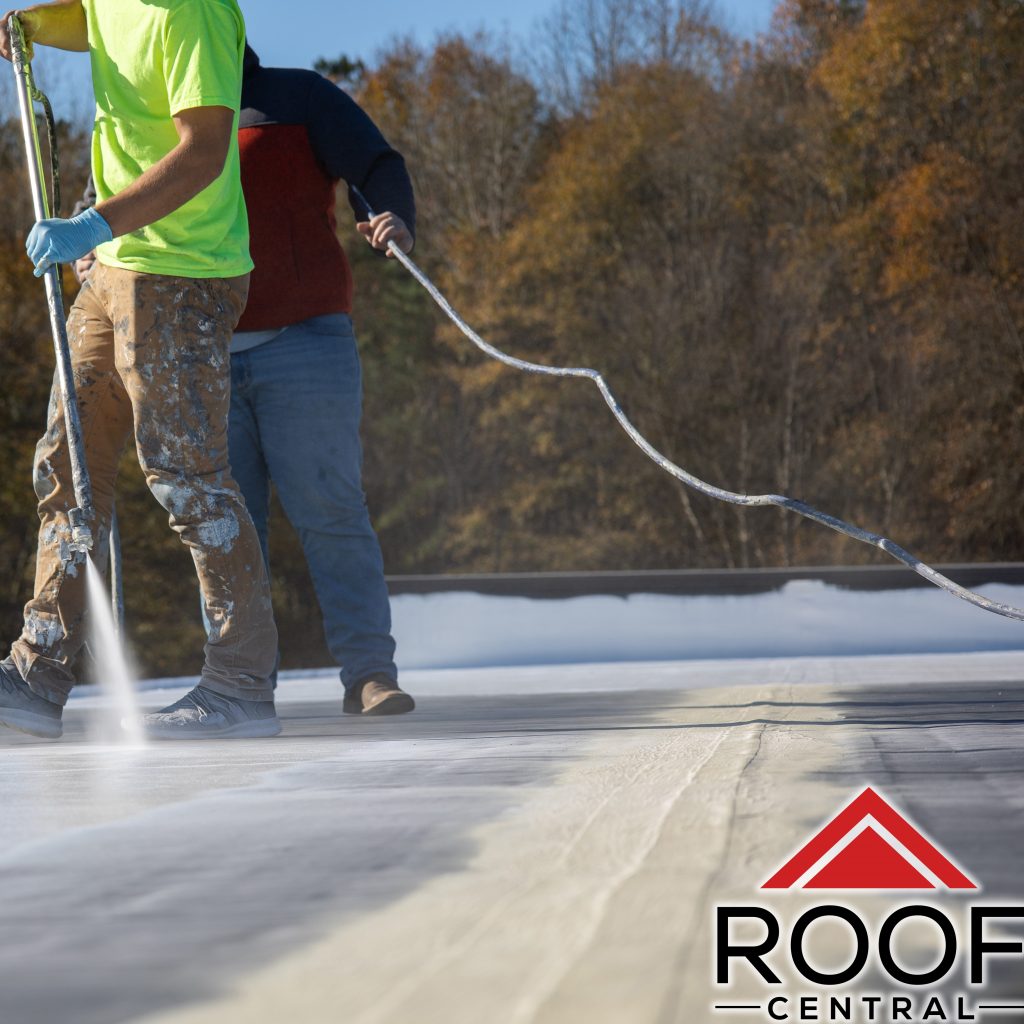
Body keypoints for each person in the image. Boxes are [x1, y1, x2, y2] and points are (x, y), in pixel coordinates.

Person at [73, 44, 418, 716]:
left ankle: (370, 673)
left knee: (331, 511)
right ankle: (245, 684)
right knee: (229, 528)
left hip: (305, 340)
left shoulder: (298, 97)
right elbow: (104, 203)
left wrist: (393, 215)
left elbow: (376, 165)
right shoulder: (147, 120)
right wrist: (90, 248)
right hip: (195, 354)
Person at [0, 0, 280, 740]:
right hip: (114, 267)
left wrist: (93, 223)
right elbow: (91, 22)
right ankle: (39, 672)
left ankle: (241, 684)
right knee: (68, 465)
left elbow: (204, 150)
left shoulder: (194, 11)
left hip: (184, 271)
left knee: (186, 476)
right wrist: (29, 28)